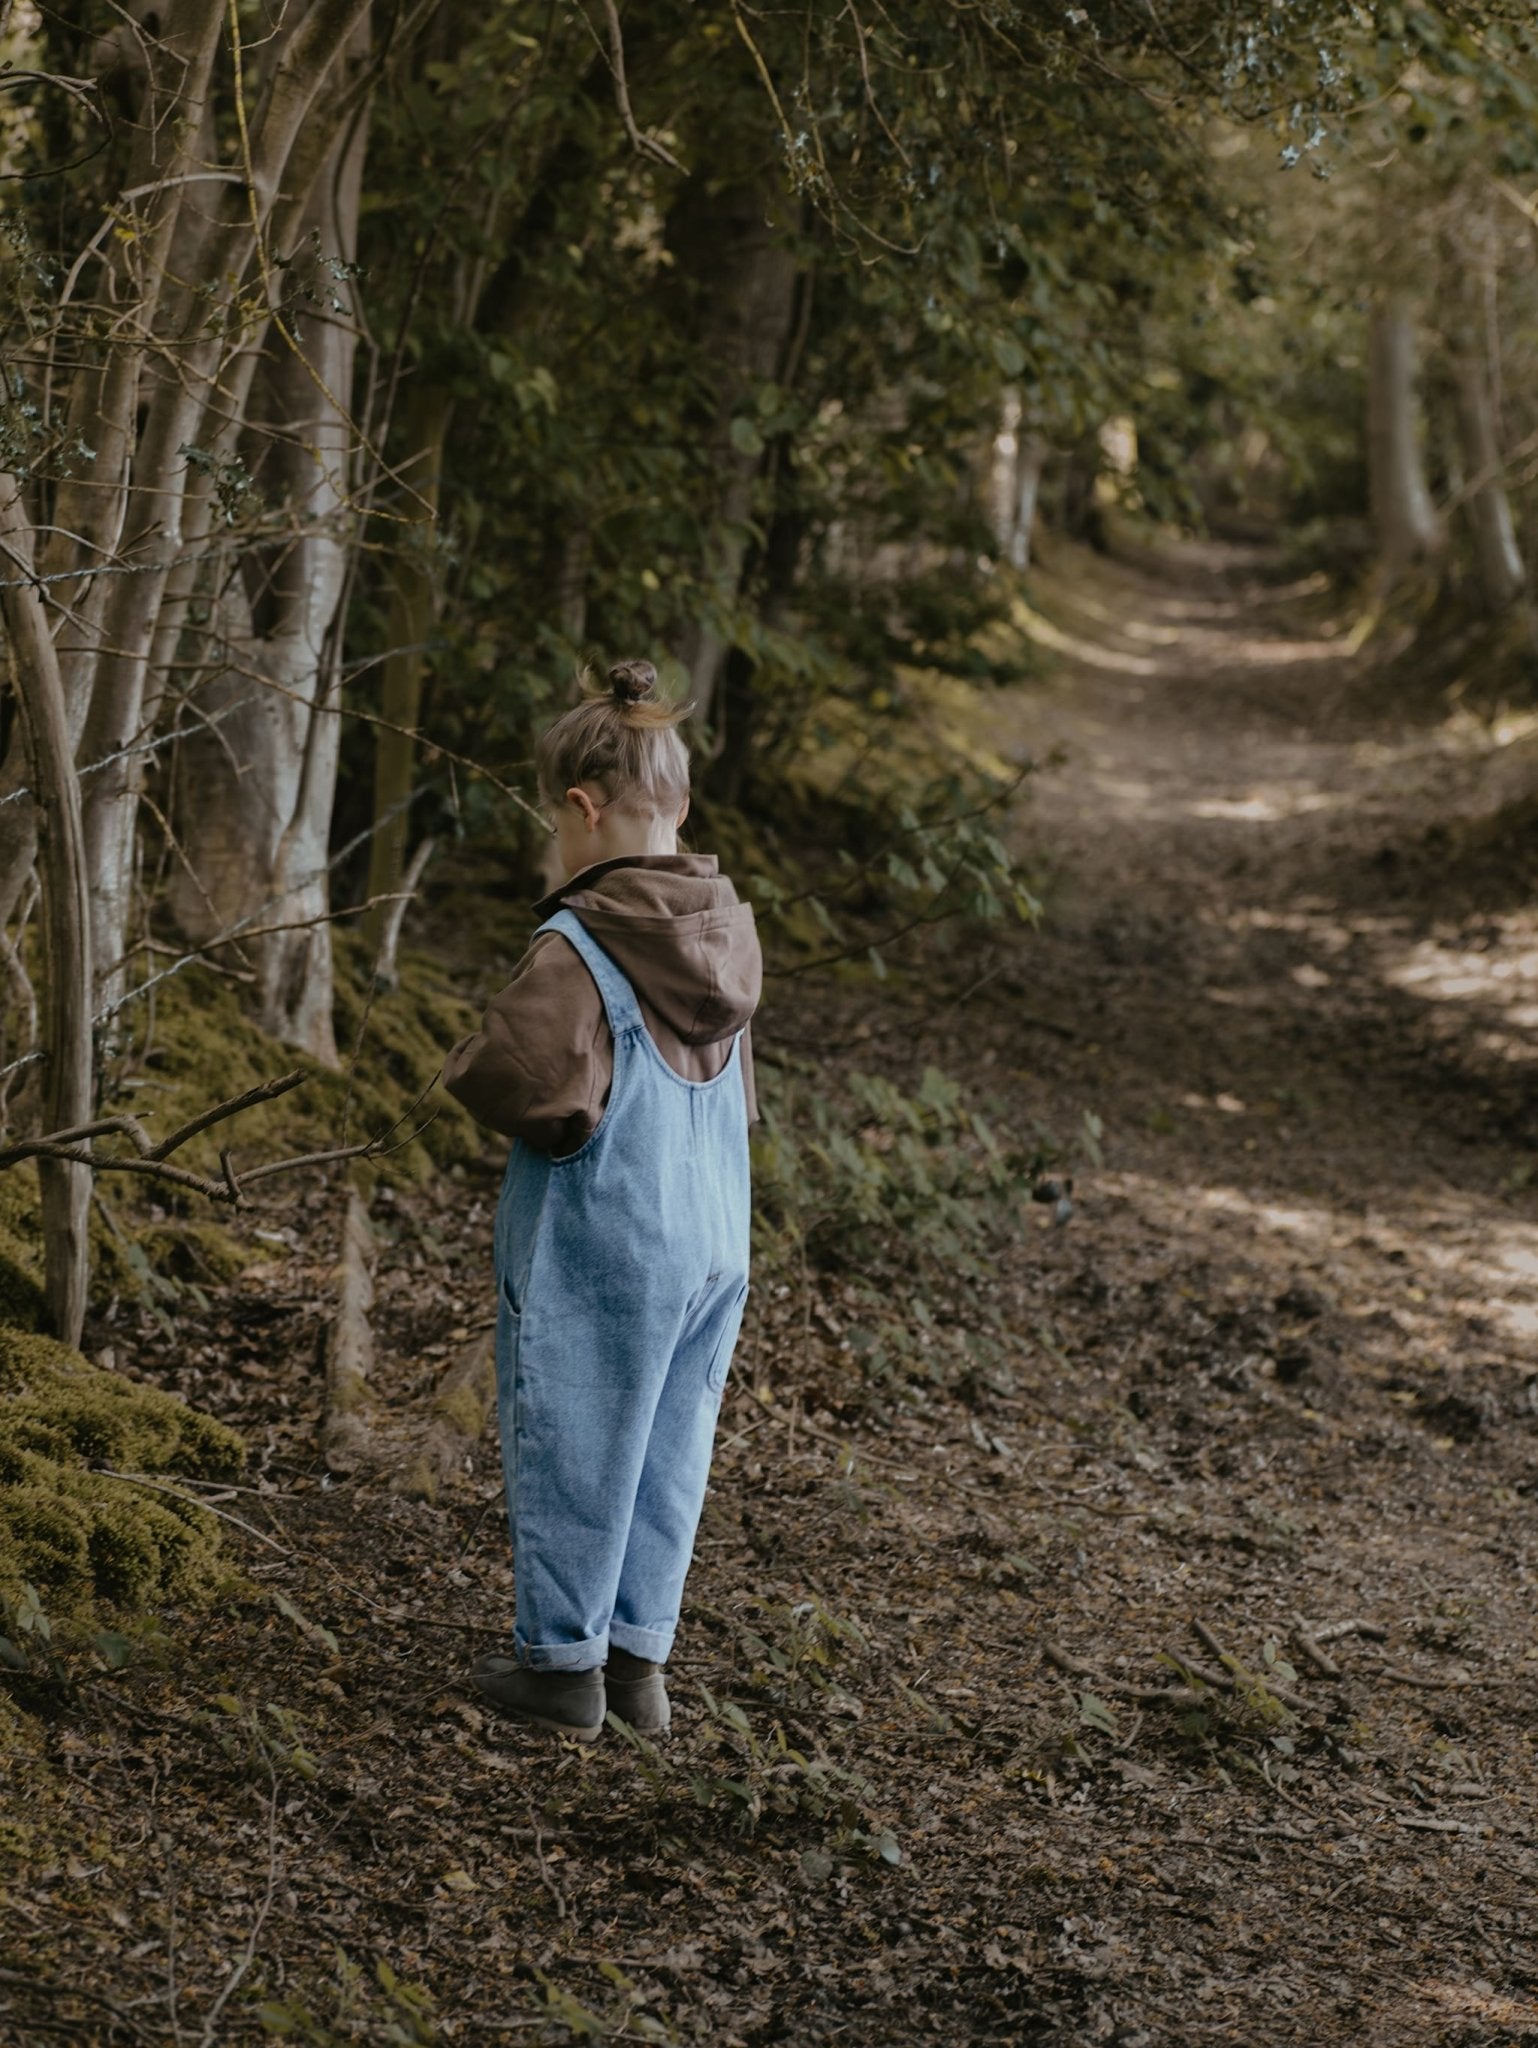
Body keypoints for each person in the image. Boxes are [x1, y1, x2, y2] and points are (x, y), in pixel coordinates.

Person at [442, 659, 761, 1741]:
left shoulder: (580, 943)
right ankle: (639, 1666)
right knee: (671, 1444)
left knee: (579, 1432)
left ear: (583, 810)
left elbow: (516, 1080)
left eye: (552, 825)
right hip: (714, 1231)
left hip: (608, 1237)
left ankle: (563, 1668)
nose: (552, 848)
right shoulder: (723, 932)